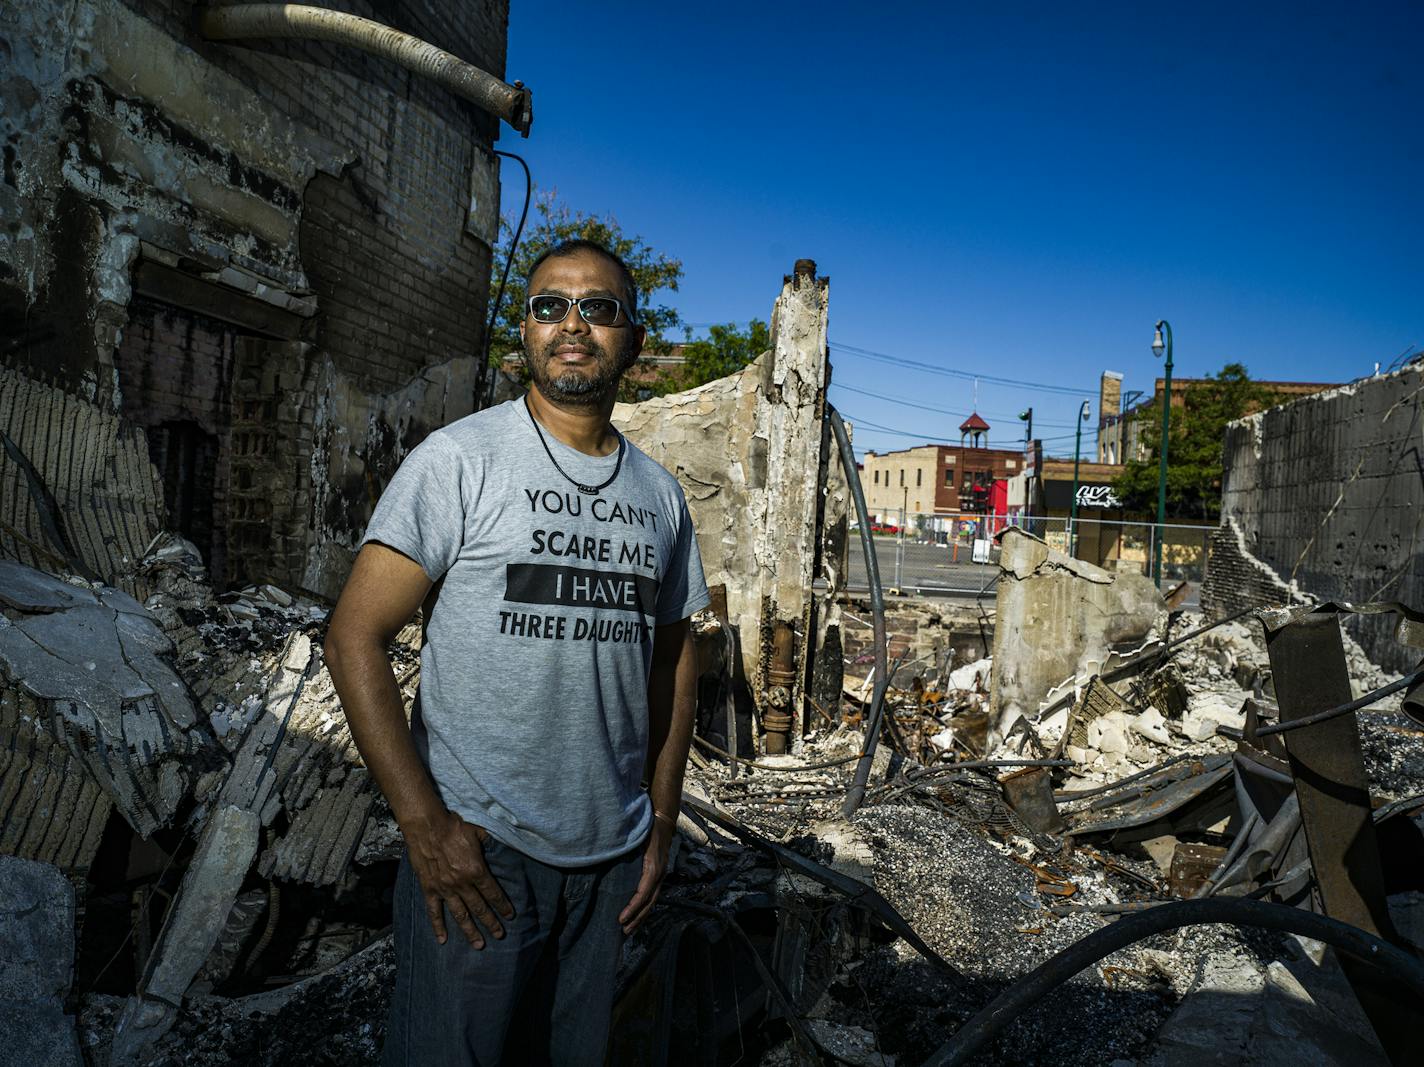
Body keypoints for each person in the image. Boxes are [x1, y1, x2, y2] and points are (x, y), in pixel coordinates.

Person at [324, 238, 710, 1066]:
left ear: (632, 340)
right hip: (481, 852)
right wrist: (424, 824)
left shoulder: (660, 497)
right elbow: (353, 635)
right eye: (550, 306)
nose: (573, 324)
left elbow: (677, 661)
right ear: (526, 332)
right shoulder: (459, 461)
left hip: (611, 862)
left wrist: (663, 818)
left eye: (598, 307)